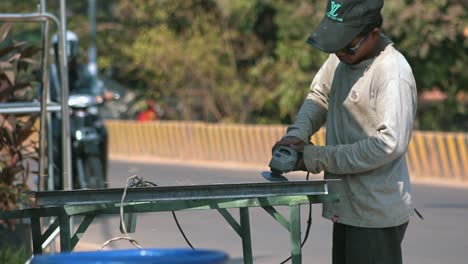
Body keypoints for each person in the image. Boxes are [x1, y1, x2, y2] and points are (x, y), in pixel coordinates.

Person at [273, 1, 417, 263]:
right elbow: (319, 97)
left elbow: (389, 144)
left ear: (374, 33)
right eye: (336, 44)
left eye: (347, 45)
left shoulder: (392, 73)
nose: (340, 52)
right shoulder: (341, 58)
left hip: (375, 214)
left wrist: (315, 157)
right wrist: (298, 133)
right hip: (346, 205)